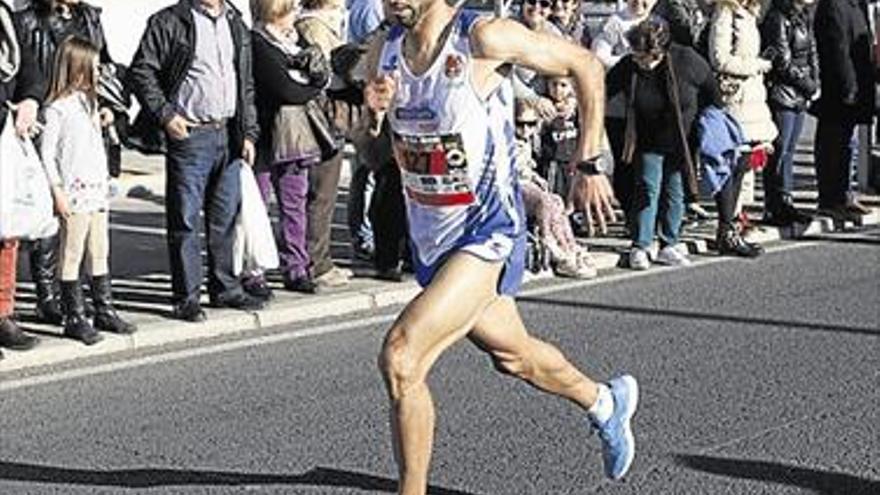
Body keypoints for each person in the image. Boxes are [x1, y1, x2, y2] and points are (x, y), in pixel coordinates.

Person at [364, 1, 636, 492]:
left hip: (487, 231)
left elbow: (586, 65)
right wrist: (372, 115)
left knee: (402, 358)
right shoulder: (383, 52)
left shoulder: (481, 38)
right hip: (433, 241)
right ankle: (604, 402)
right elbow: (371, 152)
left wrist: (589, 162)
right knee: (514, 356)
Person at [129, 0, 265, 322]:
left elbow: (245, 81)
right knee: (185, 220)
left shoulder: (235, 20)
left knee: (225, 219)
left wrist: (248, 131)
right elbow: (142, 70)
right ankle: (186, 297)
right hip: (190, 135)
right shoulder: (169, 21)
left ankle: (225, 288)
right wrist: (165, 115)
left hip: (228, 133)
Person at [12, 0, 113, 327]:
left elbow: (106, 66)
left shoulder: (89, 17)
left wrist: (113, 110)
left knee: (97, 246)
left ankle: (100, 308)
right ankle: (54, 301)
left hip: (91, 171)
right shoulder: (27, 21)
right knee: (53, 237)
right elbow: (25, 68)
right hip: (43, 123)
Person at [41, 37, 137, 344]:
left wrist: (108, 121)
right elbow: (47, 154)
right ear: (77, 69)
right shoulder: (57, 109)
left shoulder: (91, 103)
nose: (98, 74)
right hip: (73, 190)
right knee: (72, 252)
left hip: (96, 188)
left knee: (100, 250)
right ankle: (74, 315)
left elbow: (96, 146)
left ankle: (104, 308)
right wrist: (56, 190)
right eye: (93, 68)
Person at [607, 18, 718, 270]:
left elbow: (712, 89)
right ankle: (641, 244)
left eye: (645, 57)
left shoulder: (687, 60)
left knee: (675, 191)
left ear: (661, 51)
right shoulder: (629, 66)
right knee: (647, 188)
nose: (641, 62)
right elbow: (605, 90)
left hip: (681, 139)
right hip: (646, 139)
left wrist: (706, 120)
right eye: (636, 56)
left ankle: (670, 242)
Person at [250, 0, 329, 294]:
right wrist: (310, 86)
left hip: (295, 137)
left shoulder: (295, 41)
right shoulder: (257, 42)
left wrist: (313, 80)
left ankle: (296, 267)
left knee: (294, 204)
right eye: (291, 8)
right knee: (256, 206)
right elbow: (285, 89)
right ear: (276, 11)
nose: (297, 13)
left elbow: (321, 72)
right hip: (264, 135)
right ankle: (253, 269)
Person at [708, 0, 777, 256]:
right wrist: (757, 65)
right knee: (733, 166)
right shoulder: (725, 13)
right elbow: (719, 59)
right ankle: (726, 230)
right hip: (736, 99)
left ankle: (732, 226)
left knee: (745, 165)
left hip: (751, 99)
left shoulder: (748, 13)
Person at [296, 0, 356, 288]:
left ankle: (317, 259)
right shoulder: (313, 25)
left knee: (323, 193)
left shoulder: (324, 22)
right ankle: (317, 263)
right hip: (323, 114)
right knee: (321, 193)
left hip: (328, 113)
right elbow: (324, 73)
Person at [0, 1, 44, 359]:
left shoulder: (5, 15)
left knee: (6, 232)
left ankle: (3, 314)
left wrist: (29, 99)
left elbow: (29, 69)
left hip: (3, 135)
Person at [516, 99, 597, 278]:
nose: (525, 130)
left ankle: (568, 245)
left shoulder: (529, 141)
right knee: (544, 201)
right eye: (520, 124)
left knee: (557, 201)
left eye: (531, 124)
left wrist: (536, 177)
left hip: (528, 181)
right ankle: (548, 241)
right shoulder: (507, 141)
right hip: (513, 186)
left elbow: (527, 167)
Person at [812, 0, 875, 222]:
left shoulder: (857, 6)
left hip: (857, 84)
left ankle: (845, 194)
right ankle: (830, 199)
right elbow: (837, 49)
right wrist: (849, 86)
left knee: (849, 145)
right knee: (833, 146)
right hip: (838, 90)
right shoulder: (833, 6)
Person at [760, 0, 818, 226]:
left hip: (800, 92)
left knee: (790, 151)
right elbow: (782, 62)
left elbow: (812, 51)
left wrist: (814, 81)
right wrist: (808, 84)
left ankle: (786, 200)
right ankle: (774, 205)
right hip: (783, 93)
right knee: (780, 150)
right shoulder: (778, 18)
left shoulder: (802, 15)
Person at [538, 75, 580, 198]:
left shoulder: (575, 107)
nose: (558, 89)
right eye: (554, 84)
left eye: (563, 85)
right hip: (553, 160)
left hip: (572, 160)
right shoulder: (544, 105)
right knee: (554, 195)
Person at [592, 0, 656, 69]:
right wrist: (632, 61)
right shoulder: (614, 23)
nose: (638, 1)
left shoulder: (659, 23)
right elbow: (600, 56)